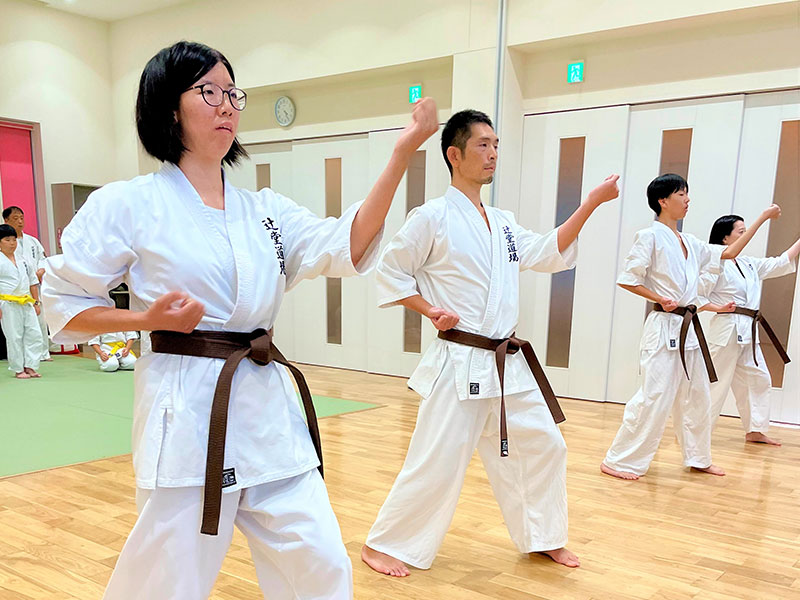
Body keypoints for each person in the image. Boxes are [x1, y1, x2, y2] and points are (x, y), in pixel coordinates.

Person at [42, 41, 438, 600]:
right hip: (188, 414)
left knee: (321, 562)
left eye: (233, 93)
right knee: (166, 583)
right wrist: (142, 317)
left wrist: (401, 154)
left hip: (266, 408)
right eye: (209, 92)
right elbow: (61, 300)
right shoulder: (129, 204)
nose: (227, 105)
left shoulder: (266, 211)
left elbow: (345, 243)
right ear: (169, 108)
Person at [361, 109, 620, 577]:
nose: (493, 153)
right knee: (436, 459)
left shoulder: (501, 222)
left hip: (506, 361)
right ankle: (385, 543)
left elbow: (546, 250)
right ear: (454, 154)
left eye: (496, 144)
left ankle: (543, 536)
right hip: (459, 359)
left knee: (544, 444)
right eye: (483, 145)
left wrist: (591, 203)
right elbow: (391, 270)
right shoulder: (432, 217)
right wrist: (428, 310)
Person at [601, 173, 780, 480]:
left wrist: (762, 218)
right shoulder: (650, 236)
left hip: (689, 329)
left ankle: (698, 457)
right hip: (663, 327)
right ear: (663, 201)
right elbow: (628, 278)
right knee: (654, 396)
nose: (687, 200)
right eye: (681, 194)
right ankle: (619, 461)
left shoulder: (689, 241)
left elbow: (730, 252)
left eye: (687, 194)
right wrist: (659, 297)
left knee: (698, 396)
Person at [701, 214, 800, 445]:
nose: (745, 236)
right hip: (726, 329)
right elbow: (694, 295)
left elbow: (779, 262)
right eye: (740, 232)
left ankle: (755, 429)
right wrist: (718, 307)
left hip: (749, 331)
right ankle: (694, 431)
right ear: (725, 238)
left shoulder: (747, 263)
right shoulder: (714, 264)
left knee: (759, 379)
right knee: (715, 383)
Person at [3, 206, 51, 361]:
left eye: (22, 218)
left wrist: (40, 270)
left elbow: (42, 258)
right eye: (15, 218)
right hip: (11, 293)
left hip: (33, 284)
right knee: (16, 329)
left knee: (39, 322)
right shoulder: (3, 243)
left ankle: (43, 353)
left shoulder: (32, 241)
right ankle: (21, 360)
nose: (20, 221)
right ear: (6, 220)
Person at [0, 223, 43, 378]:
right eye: (7, 240)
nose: (12, 243)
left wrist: (36, 302)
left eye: (13, 239)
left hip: (26, 302)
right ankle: (18, 368)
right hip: (7, 303)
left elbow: (33, 282)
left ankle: (30, 365)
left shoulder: (23, 260)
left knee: (34, 334)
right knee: (14, 336)